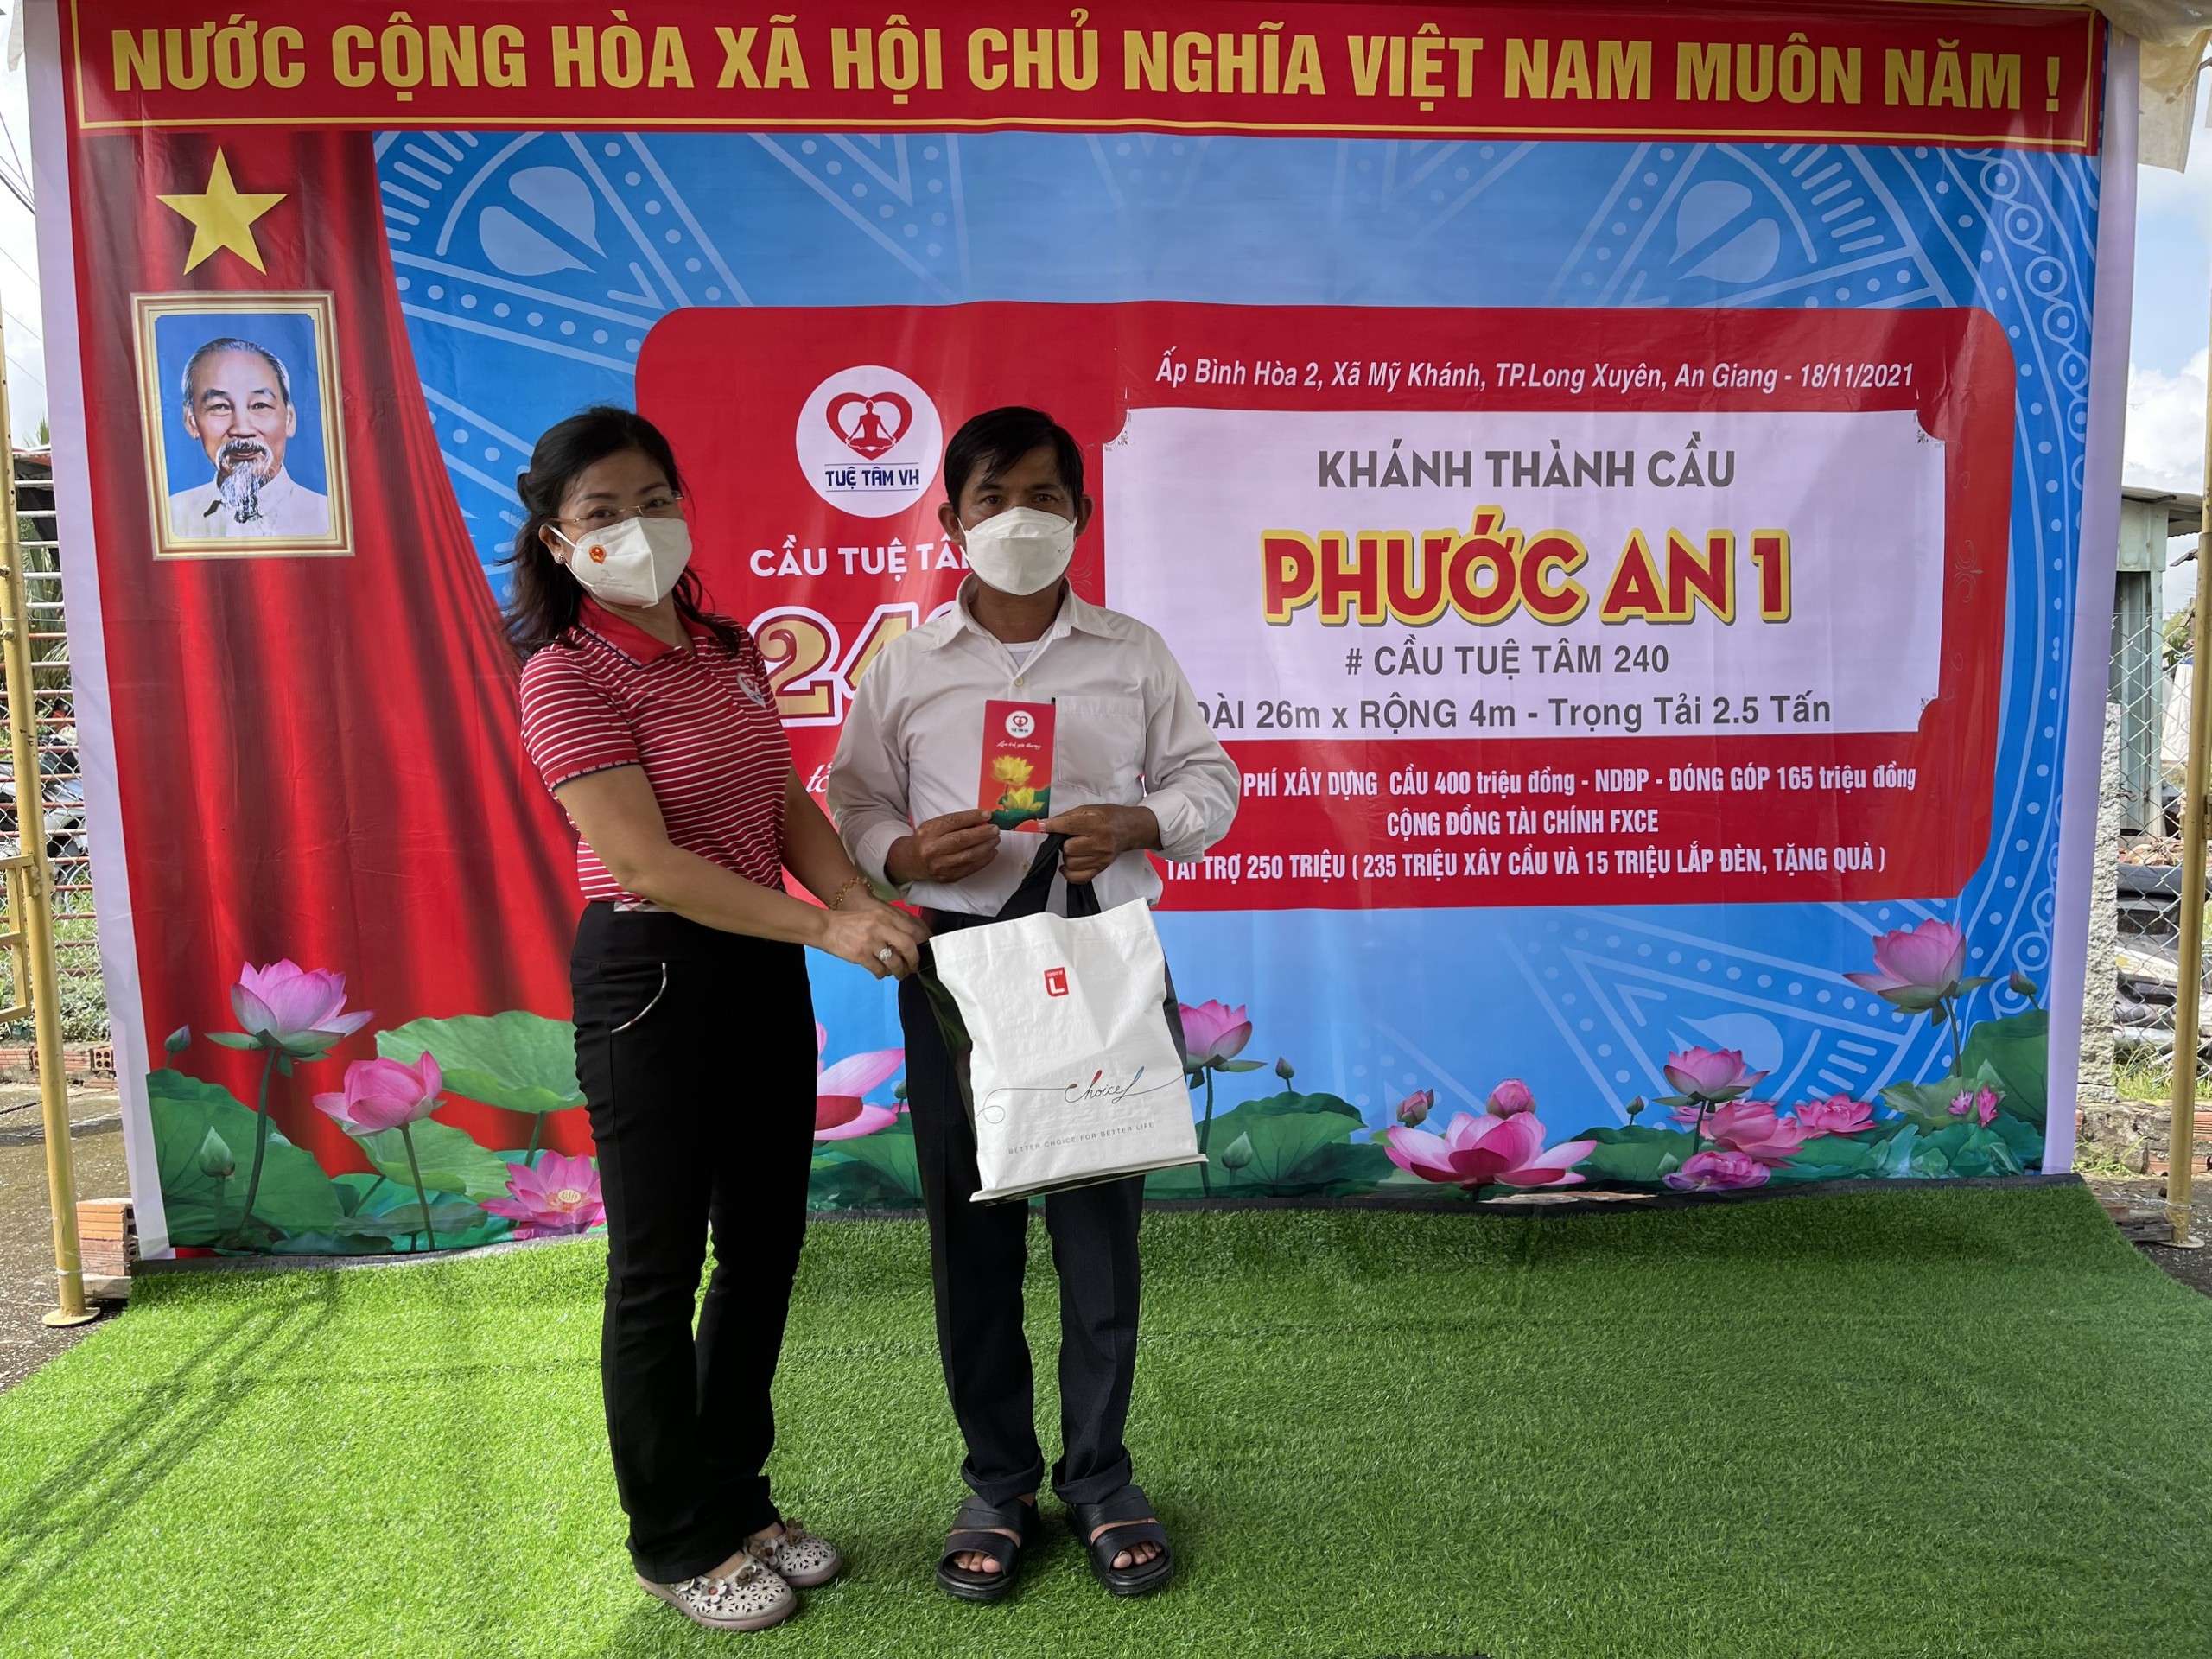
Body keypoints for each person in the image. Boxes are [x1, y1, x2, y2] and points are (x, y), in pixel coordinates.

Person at [511, 405, 928, 1634]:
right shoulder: (565, 675)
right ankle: (672, 1537)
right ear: (556, 539)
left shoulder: (725, 647)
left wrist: (853, 898)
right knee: (655, 1270)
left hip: (759, 966)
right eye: (601, 513)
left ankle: (738, 1498)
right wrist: (825, 928)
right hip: (652, 975)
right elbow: (647, 862)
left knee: (763, 1246)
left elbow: (782, 799)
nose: (635, 529)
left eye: (653, 501)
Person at [827, 405, 1239, 1601]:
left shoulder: (1132, 652)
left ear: (1081, 516)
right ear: (950, 521)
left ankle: (1100, 1476)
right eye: (993, 498)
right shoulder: (906, 664)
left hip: (1100, 959)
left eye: (1045, 497)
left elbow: (1211, 780)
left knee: (1099, 1231)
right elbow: (849, 803)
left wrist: (1143, 821)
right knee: (974, 1236)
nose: (1020, 519)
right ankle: (997, 1481)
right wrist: (904, 856)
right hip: (958, 972)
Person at [164, 335, 333, 538]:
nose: (242, 429)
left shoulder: (328, 519)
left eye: (260, 405)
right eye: (220, 407)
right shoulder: (170, 520)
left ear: (289, 418)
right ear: (191, 421)